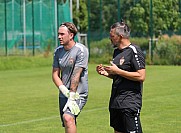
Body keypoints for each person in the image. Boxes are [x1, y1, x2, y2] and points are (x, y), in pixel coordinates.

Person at [96, 20, 146, 133]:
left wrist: (117, 71)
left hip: (129, 102)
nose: (110, 38)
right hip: (115, 102)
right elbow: (119, 75)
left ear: (121, 36)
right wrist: (107, 73)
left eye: (112, 36)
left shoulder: (134, 51)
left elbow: (141, 76)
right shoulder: (116, 52)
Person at [52, 22, 89, 133]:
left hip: (78, 93)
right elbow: (55, 74)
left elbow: (76, 75)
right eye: (59, 34)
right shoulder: (58, 51)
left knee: (68, 118)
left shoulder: (81, 50)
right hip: (64, 94)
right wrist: (64, 90)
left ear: (71, 35)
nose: (59, 37)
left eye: (62, 34)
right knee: (68, 122)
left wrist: (72, 96)